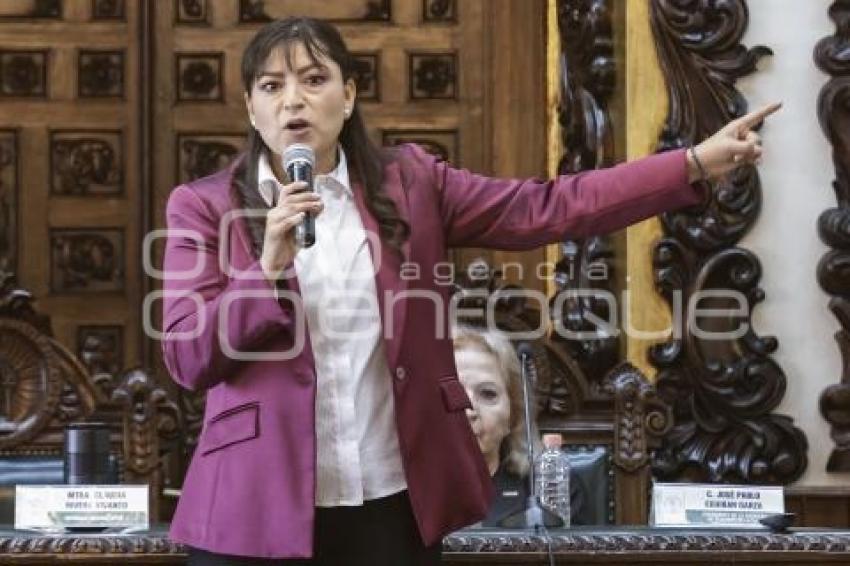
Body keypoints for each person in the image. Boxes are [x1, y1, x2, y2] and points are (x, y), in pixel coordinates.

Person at [160, 15, 780, 565]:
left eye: (314, 79)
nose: (293, 100)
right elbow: (188, 358)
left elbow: (548, 206)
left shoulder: (411, 183)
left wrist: (691, 163)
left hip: (390, 503)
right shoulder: (203, 207)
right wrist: (266, 268)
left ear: (348, 96)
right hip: (254, 512)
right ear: (251, 109)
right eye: (271, 86)